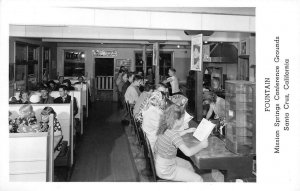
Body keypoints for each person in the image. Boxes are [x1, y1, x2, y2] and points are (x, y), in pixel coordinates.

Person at [154, 104, 208, 182]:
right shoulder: (173, 134)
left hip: (161, 162)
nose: (183, 120)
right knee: (198, 179)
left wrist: (186, 131)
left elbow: (171, 137)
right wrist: (202, 145)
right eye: (183, 118)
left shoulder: (165, 126)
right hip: (166, 169)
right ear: (177, 121)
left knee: (188, 165)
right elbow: (188, 153)